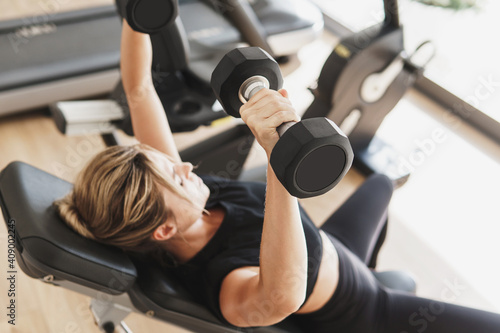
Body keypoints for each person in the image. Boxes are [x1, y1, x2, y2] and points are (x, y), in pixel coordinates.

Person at [55, 21, 500, 332]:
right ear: (165, 228)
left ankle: (372, 266)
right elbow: (279, 299)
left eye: (172, 162)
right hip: (368, 311)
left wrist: (140, 17)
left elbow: (138, 88)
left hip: (333, 246)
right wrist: (276, 156)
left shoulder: (182, 204)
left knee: (382, 184)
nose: (186, 165)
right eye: (178, 177)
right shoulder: (226, 284)